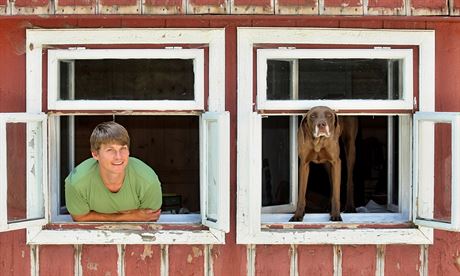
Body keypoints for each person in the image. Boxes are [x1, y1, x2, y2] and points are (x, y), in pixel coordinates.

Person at [65, 121, 162, 222]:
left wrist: (96, 216)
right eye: (110, 150)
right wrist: (130, 216)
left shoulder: (147, 179)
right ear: (95, 154)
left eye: (123, 148)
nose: (118, 157)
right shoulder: (77, 182)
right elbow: (79, 218)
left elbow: (151, 217)